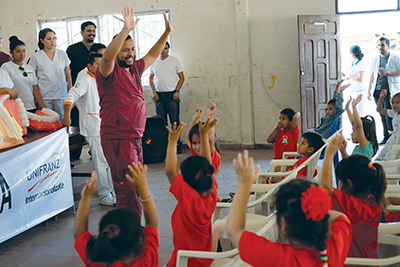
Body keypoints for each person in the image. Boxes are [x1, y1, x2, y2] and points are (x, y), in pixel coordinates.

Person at [96, 6, 171, 219]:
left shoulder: (135, 70)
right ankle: (130, 235)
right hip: (118, 138)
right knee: (127, 189)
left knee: (137, 186)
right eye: (125, 50)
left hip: (135, 139)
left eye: (132, 49)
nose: (131, 54)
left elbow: (152, 55)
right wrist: (125, 29)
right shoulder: (108, 72)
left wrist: (166, 33)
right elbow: (108, 58)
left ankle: (130, 229)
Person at [226, 150, 352, 267]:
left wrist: (244, 184)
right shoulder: (336, 243)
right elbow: (341, 217)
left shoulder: (280, 258)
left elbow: (233, 231)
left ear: (283, 225)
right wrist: (314, 209)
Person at [73, 163, 159, 267]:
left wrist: (86, 197)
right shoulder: (146, 261)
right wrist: (143, 189)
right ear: (140, 241)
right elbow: (151, 223)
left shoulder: (94, 260)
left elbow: (79, 232)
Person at [321, 134, 387, 263]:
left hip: (352, 264)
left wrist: (329, 155)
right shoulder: (372, 199)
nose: (338, 184)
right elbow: (357, 173)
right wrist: (344, 152)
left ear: (349, 184)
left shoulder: (350, 205)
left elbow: (326, 189)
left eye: (339, 181)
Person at [63, 52, 115, 206]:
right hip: (93, 126)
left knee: (110, 160)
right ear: (90, 65)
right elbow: (71, 95)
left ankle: (114, 190)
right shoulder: (85, 79)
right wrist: (67, 115)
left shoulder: (105, 76)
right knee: (101, 162)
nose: (101, 66)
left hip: (108, 124)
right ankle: (105, 195)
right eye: (98, 64)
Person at [165, 118, 218, 267]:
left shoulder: (189, 198)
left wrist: (172, 141)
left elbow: (170, 171)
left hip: (183, 262)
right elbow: (207, 163)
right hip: (203, 261)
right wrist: (203, 135)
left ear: (186, 182)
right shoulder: (211, 195)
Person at [149, 41, 185, 153]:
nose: (163, 50)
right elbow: (151, 78)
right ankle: (164, 147)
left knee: (175, 122)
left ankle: (177, 145)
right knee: (161, 123)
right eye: (161, 48)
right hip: (159, 97)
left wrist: (177, 91)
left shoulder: (174, 60)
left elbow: (182, 78)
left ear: (168, 49)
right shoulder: (154, 62)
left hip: (172, 96)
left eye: (166, 48)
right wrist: (153, 91)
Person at [28, 28, 72, 118]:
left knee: (62, 123)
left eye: (54, 38)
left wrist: (70, 94)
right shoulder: (36, 57)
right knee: (48, 123)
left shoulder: (62, 54)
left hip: (61, 95)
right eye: (49, 39)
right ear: (42, 40)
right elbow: (32, 80)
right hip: (45, 96)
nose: (52, 41)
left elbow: (68, 76)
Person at [368, 37, 400, 145]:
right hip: (377, 90)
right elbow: (372, 74)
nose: (380, 47)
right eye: (379, 45)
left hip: (390, 91)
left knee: (390, 115)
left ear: (388, 46)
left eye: (383, 45)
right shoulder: (375, 58)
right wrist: (369, 90)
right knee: (381, 114)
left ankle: (393, 137)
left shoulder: (395, 57)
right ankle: (386, 136)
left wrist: (388, 74)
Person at [1, 36, 45, 113]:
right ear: (11, 52)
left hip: (31, 107)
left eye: (24, 51)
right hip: (15, 108)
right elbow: (3, 88)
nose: (22, 54)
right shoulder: (6, 67)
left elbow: (35, 90)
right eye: (18, 51)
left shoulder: (30, 68)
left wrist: (43, 108)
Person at [339, 95, 378, 160]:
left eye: (355, 132)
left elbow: (358, 127)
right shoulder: (360, 147)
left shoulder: (365, 147)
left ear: (366, 135)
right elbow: (354, 124)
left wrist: (354, 107)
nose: (351, 134)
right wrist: (347, 109)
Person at [185, 103, 220, 172]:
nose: (197, 146)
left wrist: (211, 115)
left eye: (200, 142)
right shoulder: (196, 153)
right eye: (194, 143)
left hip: (208, 182)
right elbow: (188, 138)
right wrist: (194, 120)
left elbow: (210, 139)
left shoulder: (210, 151)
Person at [346, 45, 367, 117]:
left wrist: (350, 76)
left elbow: (360, 79)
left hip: (360, 91)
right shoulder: (353, 64)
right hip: (354, 90)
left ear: (352, 54)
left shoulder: (360, 64)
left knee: (360, 113)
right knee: (355, 112)